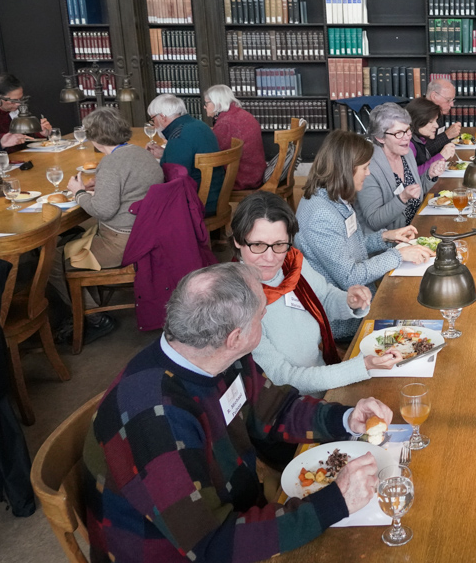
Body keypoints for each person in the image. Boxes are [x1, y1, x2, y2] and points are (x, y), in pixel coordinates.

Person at [83, 262, 391, 563]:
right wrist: (334, 503)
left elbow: (274, 409)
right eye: (261, 314)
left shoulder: (213, 354)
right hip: (180, 549)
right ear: (234, 337)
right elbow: (210, 545)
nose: (266, 314)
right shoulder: (155, 418)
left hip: (234, 513)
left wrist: (343, 418)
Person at [233, 191, 402, 396]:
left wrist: (349, 301)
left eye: (279, 244)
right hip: (293, 404)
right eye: (258, 245)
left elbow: (324, 297)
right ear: (237, 241)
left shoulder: (292, 264)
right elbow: (282, 378)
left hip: (327, 377)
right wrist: (360, 367)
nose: (270, 257)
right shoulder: (235, 301)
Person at [294, 130, 433, 339]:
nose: (368, 173)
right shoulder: (321, 214)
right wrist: (399, 255)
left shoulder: (334, 196)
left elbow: (352, 247)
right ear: (346, 169)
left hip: (363, 297)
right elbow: (350, 276)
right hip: (344, 316)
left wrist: (386, 237)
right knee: (418, 308)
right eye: (365, 168)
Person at [50, 107, 164, 343]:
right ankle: (89, 306)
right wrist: (99, 186)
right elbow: (128, 188)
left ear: (93, 137)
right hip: (146, 235)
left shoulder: (111, 164)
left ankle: (95, 320)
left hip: (122, 242)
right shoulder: (141, 153)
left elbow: (102, 210)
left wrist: (78, 192)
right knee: (74, 241)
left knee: (52, 261)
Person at [357, 102, 446, 233]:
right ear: (380, 138)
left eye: (407, 130)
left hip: (415, 228)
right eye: (399, 133)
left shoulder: (406, 153)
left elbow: (415, 193)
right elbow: (374, 221)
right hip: (388, 245)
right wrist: (402, 198)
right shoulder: (369, 167)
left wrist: (429, 176)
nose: (407, 137)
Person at [146, 93, 223, 215]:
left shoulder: (178, 136)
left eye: (153, 119)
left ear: (162, 117)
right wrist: (165, 153)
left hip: (198, 203)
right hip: (217, 195)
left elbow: (173, 182)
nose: (154, 124)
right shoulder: (200, 125)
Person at [205, 84, 266, 190]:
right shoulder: (242, 114)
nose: (204, 107)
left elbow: (213, 153)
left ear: (217, 103)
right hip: (256, 171)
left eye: (206, 103)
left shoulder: (225, 123)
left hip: (241, 178)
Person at [407, 97, 458, 175]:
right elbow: (412, 175)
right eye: (431, 122)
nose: (436, 125)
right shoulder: (408, 145)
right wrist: (441, 156)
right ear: (417, 121)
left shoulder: (421, 139)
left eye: (436, 120)